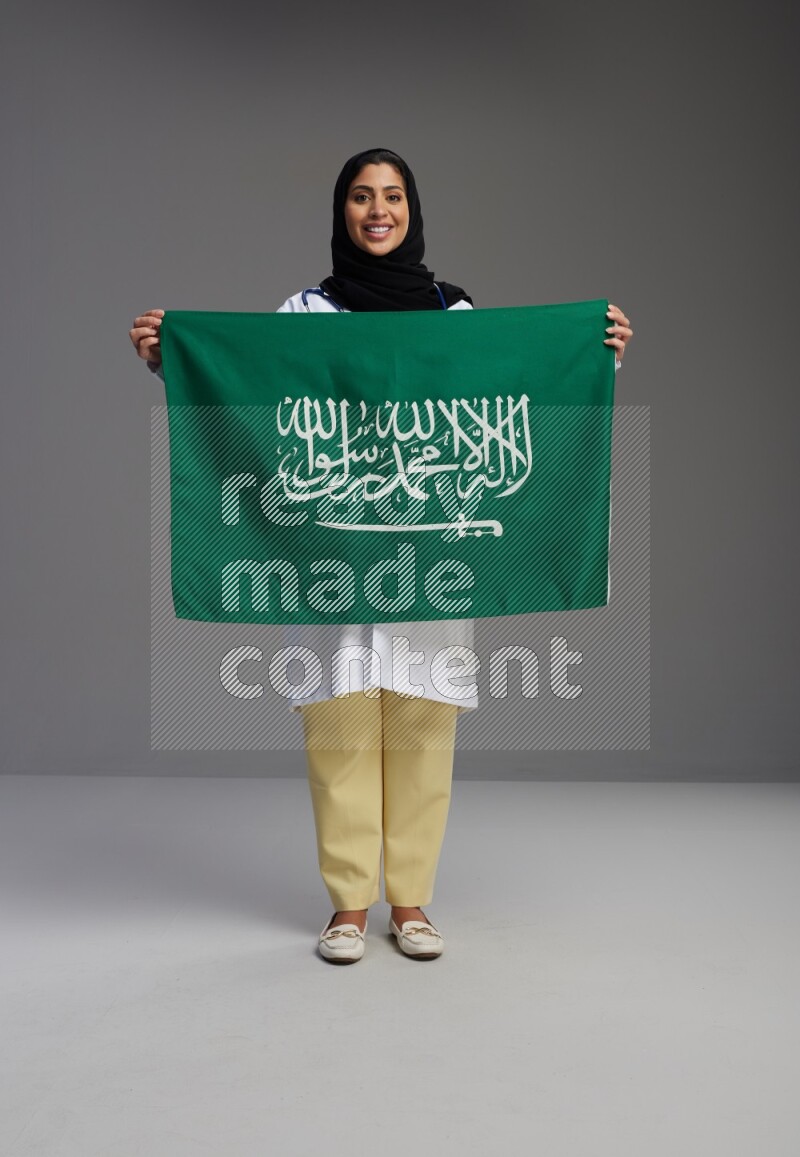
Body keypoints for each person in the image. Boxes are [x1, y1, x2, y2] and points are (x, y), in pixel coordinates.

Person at [130, 147, 633, 965]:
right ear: (342, 212)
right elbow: (250, 399)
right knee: (339, 731)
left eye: (392, 196)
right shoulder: (302, 315)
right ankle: (347, 907)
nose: (377, 210)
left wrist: (596, 349)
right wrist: (171, 360)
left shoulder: (455, 313)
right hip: (327, 557)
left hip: (428, 556)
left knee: (424, 729)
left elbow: (520, 393)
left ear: (412, 210)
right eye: (361, 197)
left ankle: (411, 900)